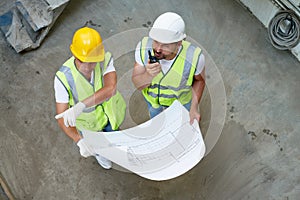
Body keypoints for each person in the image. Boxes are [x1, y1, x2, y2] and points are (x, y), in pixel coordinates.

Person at [54, 27, 126, 169]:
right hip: (89, 125)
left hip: (111, 116)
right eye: (82, 61)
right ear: (74, 54)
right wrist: (79, 140)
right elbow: (62, 118)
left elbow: (110, 89)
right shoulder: (63, 78)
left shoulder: (105, 60)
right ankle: (102, 156)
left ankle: (113, 149)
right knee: (98, 147)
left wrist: (81, 105)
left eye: (92, 62)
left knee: (113, 137)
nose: (87, 67)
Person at [132, 12, 206, 124]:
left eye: (165, 45)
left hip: (181, 104)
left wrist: (194, 108)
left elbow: (199, 81)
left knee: (181, 126)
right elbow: (138, 85)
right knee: (157, 124)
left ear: (179, 43)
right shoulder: (142, 48)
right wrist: (148, 75)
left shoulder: (194, 58)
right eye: (156, 41)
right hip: (153, 103)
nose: (158, 49)